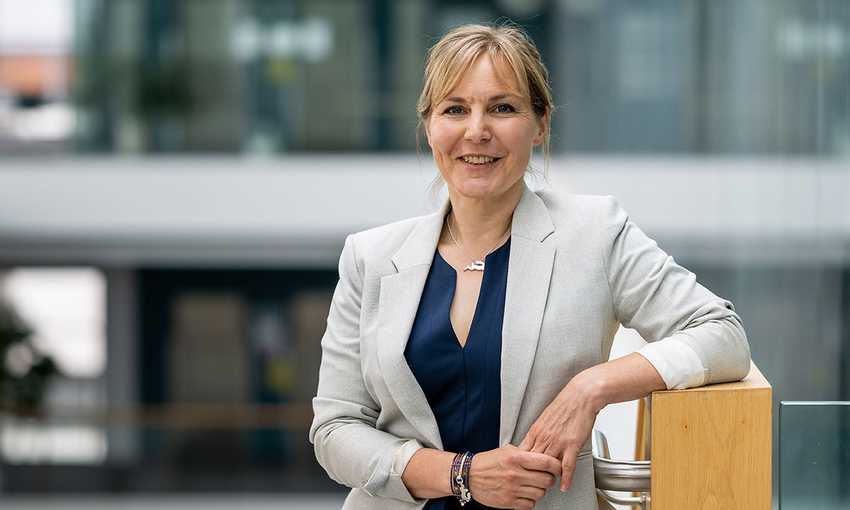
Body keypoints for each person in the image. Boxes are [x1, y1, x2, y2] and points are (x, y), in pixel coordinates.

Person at [309, 23, 751, 510]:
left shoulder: (595, 232)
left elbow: (722, 332)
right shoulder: (369, 257)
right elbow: (335, 430)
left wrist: (591, 388)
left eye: (502, 108)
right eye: (455, 109)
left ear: (540, 123)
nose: (477, 130)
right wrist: (463, 474)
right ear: (430, 126)